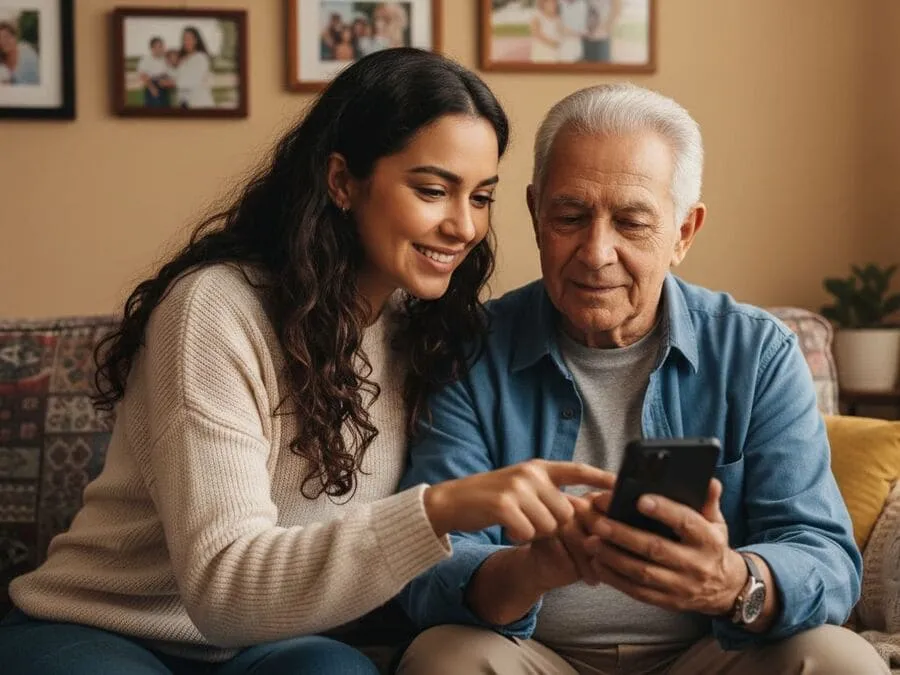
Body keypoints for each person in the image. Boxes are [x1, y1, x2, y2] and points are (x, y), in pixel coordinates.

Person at [0, 48, 613, 675]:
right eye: (432, 190)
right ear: (342, 180)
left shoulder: (428, 331)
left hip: (271, 648)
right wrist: (439, 508)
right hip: (109, 627)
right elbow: (224, 595)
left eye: (481, 197)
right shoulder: (216, 310)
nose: (462, 226)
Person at [396, 83, 890, 675]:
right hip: (533, 657)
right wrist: (531, 568)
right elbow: (426, 567)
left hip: (713, 656)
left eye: (631, 222)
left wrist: (736, 583)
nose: (596, 252)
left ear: (683, 232)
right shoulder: (470, 351)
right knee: (441, 660)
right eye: (570, 216)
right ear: (535, 213)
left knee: (843, 661)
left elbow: (826, 557)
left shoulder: (757, 352)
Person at [174, 26, 215, 109]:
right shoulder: (183, 58)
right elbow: (177, 75)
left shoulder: (201, 57)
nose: (186, 41)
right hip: (184, 102)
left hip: (199, 103)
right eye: (184, 39)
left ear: (196, 40)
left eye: (189, 38)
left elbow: (192, 81)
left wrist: (172, 82)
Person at [0, 20, 39, 85]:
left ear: (14, 37)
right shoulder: (2, 62)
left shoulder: (26, 52)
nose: (3, 41)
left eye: (6, 36)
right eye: (0, 39)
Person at [136, 37, 171, 108]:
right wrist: (152, 88)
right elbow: (143, 75)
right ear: (152, 48)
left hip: (165, 85)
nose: (162, 48)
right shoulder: (146, 59)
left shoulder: (165, 58)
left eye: (162, 46)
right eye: (159, 46)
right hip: (152, 85)